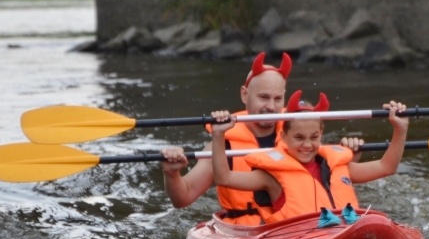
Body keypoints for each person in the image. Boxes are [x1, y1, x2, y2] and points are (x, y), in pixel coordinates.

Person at [209, 89, 409, 224]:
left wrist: (400, 129)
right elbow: (224, 178)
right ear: (283, 137)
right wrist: (219, 135)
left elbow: (386, 167)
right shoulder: (270, 177)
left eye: (314, 137)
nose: (307, 145)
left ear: (321, 135)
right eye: (298, 137)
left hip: (344, 232)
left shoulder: (336, 166)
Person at [160, 52, 292, 224]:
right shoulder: (224, 145)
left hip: (290, 224)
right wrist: (171, 173)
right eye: (264, 97)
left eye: (278, 98)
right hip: (243, 230)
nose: (271, 106)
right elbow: (182, 198)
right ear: (245, 95)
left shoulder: (298, 136)